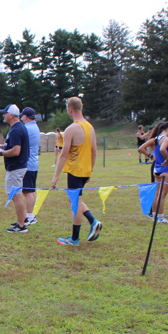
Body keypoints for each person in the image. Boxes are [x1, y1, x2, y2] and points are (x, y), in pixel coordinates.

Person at [51, 97, 102, 246]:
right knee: (75, 199)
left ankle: (75, 238)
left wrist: (55, 176)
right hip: (85, 170)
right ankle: (93, 221)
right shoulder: (90, 127)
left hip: (75, 170)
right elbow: (94, 152)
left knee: (75, 203)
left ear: (71, 109)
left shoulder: (71, 129)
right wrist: (90, 171)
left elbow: (64, 154)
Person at [0, 104, 29, 233]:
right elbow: (12, 146)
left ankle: (21, 226)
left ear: (11, 115)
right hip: (17, 166)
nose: (3, 115)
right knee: (15, 195)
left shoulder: (16, 130)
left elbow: (16, 151)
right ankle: (22, 220)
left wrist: (0, 153)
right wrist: (1, 146)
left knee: (16, 196)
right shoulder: (18, 127)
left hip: (16, 167)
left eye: (5, 113)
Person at [139, 122, 168, 223]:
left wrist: (151, 156)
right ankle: (161, 217)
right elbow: (162, 149)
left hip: (157, 169)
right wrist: (167, 158)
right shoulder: (167, 139)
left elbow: (141, 148)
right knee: (162, 195)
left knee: (157, 194)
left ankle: (155, 214)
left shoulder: (155, 139)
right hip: (166, 170)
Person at [21, 107, 41, 226]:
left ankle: (30, 216)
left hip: (28, 164)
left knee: (28, 191)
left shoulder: (27, 128)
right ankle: (31, 215)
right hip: (34, 163)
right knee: (31, 191)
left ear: (26, 116)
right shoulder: (35, 127)